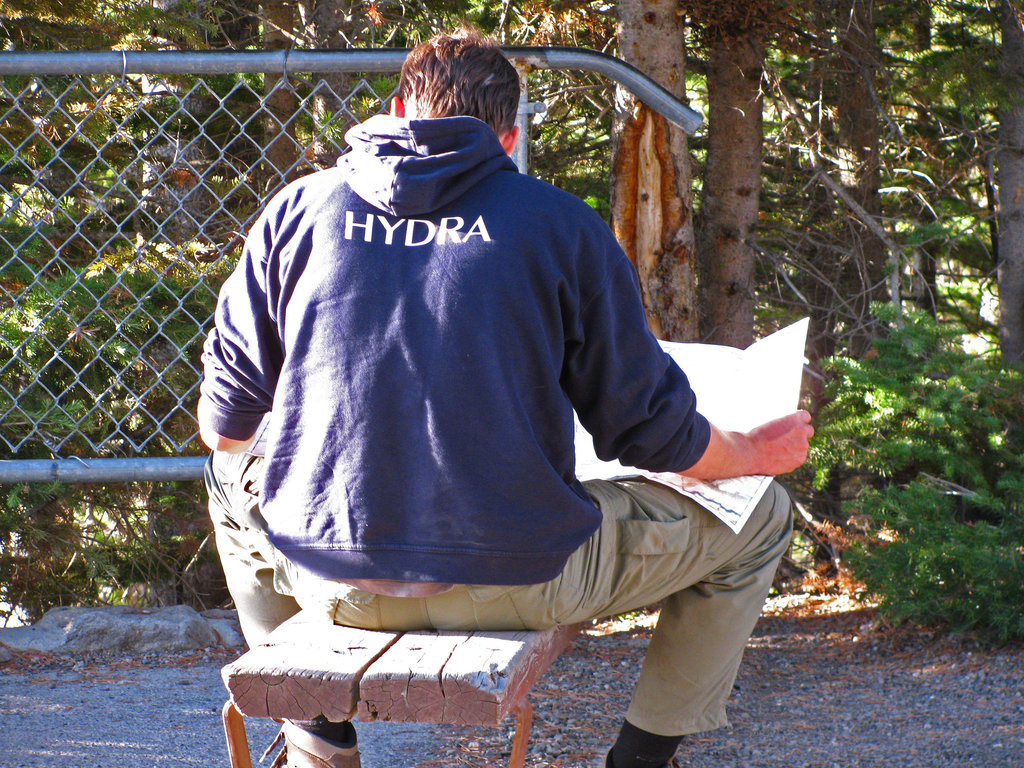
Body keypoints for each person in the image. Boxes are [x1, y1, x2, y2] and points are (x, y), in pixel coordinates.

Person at [199, 25, 813, 768]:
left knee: (224, 482)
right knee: (762, 520)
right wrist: (754, 450)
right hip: (524, 579)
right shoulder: (560, 226)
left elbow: (224, 430)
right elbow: (650, 435)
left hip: (333, 582)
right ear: (509, 136)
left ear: (397, 106)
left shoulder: (294, 214)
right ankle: (640, 761)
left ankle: (316, 740)